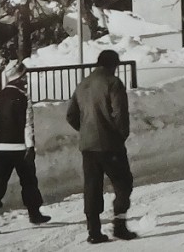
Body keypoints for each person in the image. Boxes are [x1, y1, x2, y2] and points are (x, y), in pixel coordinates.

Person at [66, 49, 137, 244]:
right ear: (114, 64)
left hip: (88, 146)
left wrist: (86, 131)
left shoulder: (83, 84)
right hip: (110, 144)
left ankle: (94, 231)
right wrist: (120, 135)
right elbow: (120, 113)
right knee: (123, 183)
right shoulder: (113, 83)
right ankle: (120, 226)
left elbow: (71, 115)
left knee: (92, 186)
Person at [0, 61, 51, 233]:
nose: (26, 79)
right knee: (29, 181)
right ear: (19, 78)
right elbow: (28, 124)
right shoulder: (23, 97)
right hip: (19, 147)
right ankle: (34, 213)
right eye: (24, 76)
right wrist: (30, 147)